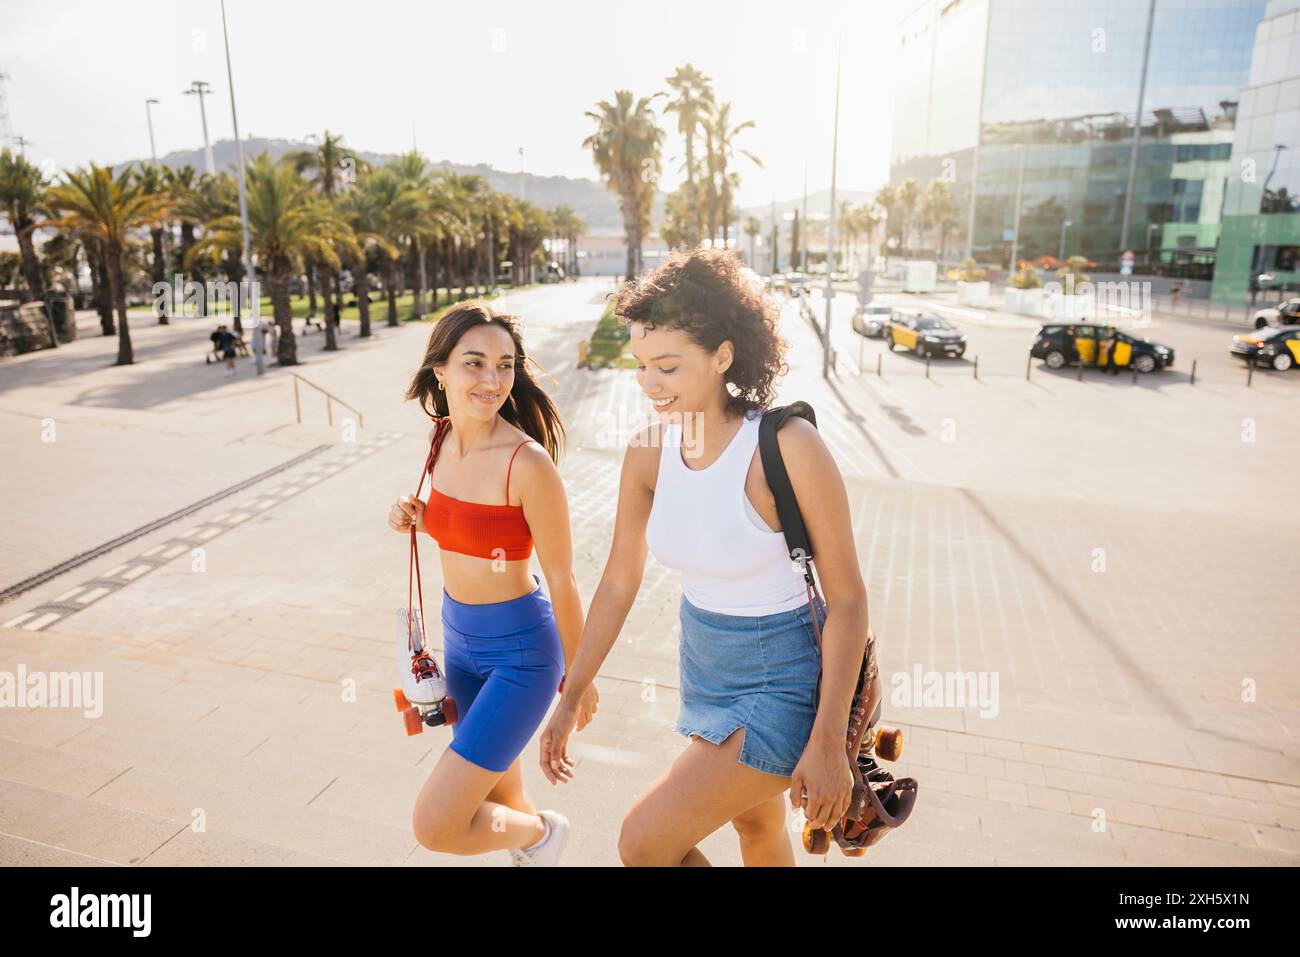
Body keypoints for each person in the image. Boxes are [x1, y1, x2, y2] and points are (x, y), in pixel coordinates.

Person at [538, 247, 870, 866]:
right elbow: (617, 583)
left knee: (644, 842)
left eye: (667, 366)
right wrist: (571, 692)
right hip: (705, 668)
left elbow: (848, 599)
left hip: (784, 680)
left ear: (722, 355)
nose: (649, 384)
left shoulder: (788, 446)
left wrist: (827, 739)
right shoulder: (646, 454)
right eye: (640, 366)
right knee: (757, 832)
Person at [389, 302, 598, 866]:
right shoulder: (439, 441)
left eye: (504, 365)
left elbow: (563, 579)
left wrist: (578, 684)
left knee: (437, 824)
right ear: (441, 369)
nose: (491, 380)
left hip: (523, 655)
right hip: (458, 641)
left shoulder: (527, 464)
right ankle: (534, 847)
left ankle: (542, 836)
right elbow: (469, 530)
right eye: (474, 363)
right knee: (503, 797)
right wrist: (417, 516)